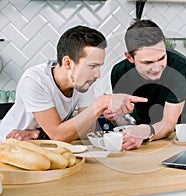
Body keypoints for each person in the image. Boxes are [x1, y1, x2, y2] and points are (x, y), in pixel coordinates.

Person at [0, 25, 147, 143]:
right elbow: (58, 135)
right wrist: (101, 103)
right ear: (68, 63)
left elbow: (85, 132)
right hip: (10, 145)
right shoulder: (35, 80)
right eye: (92, 66)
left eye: (99, 66)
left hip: (43, 145)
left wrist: (38, 134)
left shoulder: (83, 81)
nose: (98, 74)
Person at [105, 19, 186, 150]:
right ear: (129, 57)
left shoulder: (180, 67)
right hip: (136, 139)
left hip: (174, 139)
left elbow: (168, 123)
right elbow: (125, 120)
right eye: (148, 62)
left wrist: (144, 132)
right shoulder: (119, 72)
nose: (157, 67)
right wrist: (115, 117)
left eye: (162, 58)